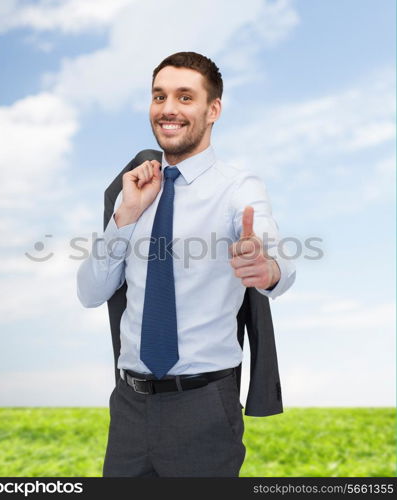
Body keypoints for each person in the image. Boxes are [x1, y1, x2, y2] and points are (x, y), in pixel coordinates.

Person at [77, 51, 296, 477]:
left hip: (203, 408)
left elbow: (275, 256)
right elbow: (89, 292)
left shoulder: (238, 187)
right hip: (128, 407)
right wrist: (124, 218)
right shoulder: (135, 188)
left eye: (184, 97)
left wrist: (266, 267)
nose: (168, 109)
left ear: (213, 109)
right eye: (159, 97)